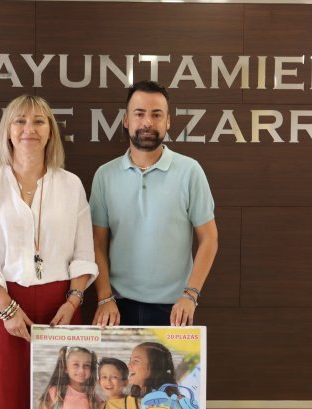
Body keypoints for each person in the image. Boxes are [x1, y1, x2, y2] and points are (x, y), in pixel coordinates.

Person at [0, 94, 98, 409]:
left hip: (59, 310)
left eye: (38, 121)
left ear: (50, 131)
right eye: (20, 121)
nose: (28, 129)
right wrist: (6, 309)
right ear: (7, 130)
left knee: (58, 406)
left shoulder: (71, 184)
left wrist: (74, 301)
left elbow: (84, 253)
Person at [89, 80, 218, 327]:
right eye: (139, 114)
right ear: (126, 120)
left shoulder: (190, 171)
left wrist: (191, 295)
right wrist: (104, 297)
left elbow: (209, 239)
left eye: (156, 115)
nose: (147, 122)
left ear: (168, 122)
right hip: (117, 307)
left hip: (175, 310)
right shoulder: (104, 175)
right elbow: (96, 243)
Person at [37, 346, 102, 409]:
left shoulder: (95, 399)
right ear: (65, 368)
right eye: (76, 365)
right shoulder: (56, 392)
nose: (81, 370)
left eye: (87, 365)